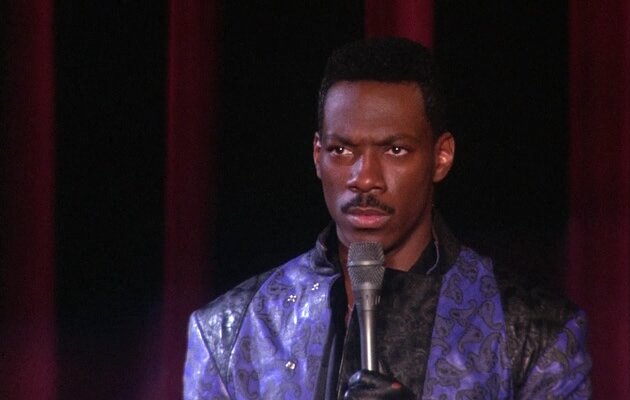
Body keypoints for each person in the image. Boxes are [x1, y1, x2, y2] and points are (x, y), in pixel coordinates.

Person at [183, 37, 591, 400]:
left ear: (441, 156)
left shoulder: (534, 333)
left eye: (395, 150)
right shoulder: (229, 332)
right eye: (342, 150)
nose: (364, 179)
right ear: (317, 155)